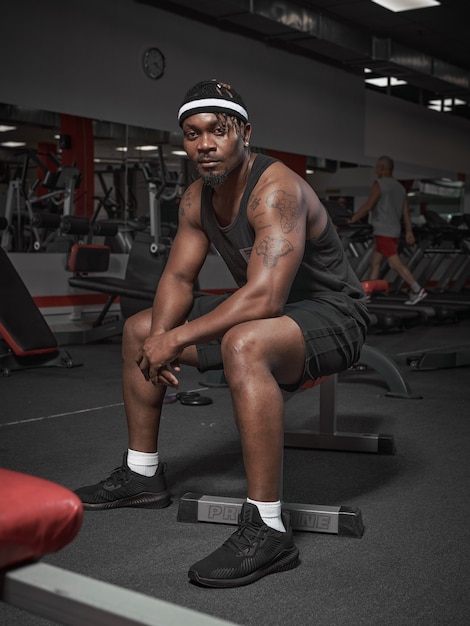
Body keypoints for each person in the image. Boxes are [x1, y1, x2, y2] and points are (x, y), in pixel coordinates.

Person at [74, 79, 370, 588]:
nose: (204, 144)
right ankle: (142, 475)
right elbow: (179, 278)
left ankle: (267, 528)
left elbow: (264, 299)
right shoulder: (196, 199)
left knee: (243, 341)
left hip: (333, 314)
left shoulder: (276, 190)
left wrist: (178, 340)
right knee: (139, 329)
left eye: (218, 131)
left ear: (245, 134)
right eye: (192, 134)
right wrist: (160, 335)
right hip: (270, 314)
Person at [349, 155, 427, 305]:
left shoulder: (379, 184)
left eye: (377, 168)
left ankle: (418, 290)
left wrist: (352, 219)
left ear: (382, 168)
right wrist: (409, 231)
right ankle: (368, 295)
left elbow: (368, 205)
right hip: (394, 231)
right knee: (375, 262)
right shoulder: (400, 187)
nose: (376, 171)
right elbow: (405, 212)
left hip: (383, 231)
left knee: (395, 264)